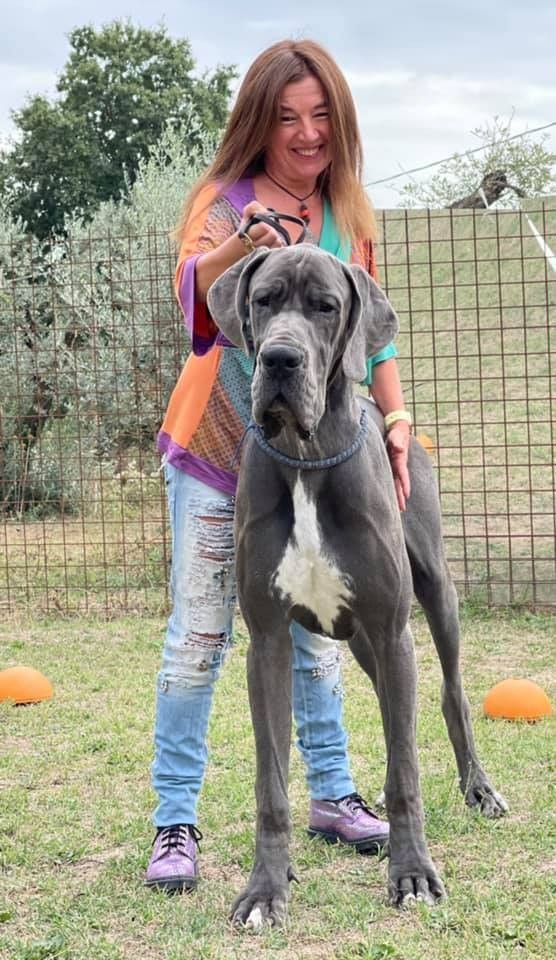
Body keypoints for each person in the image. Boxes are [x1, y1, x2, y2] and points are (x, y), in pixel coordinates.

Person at [146, 39, 412, 894]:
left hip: (324, 459)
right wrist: (243, 246)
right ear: (259, 124)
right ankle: (175, 820)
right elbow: (192, 290)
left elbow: (372, 336)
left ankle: (332, 795)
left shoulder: (347, 214)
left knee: (319, 639)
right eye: (287, 117)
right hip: (220, 454)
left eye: (321, 115)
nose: (306, 133)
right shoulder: (224, 203)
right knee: (200, 639)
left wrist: (396, 417)